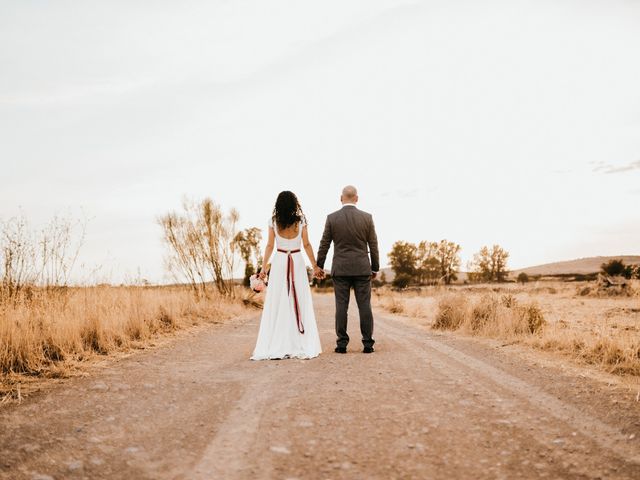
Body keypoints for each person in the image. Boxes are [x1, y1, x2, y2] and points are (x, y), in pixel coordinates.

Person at [250, 191, 322, 360]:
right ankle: (299, 341)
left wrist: (264, 268)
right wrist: (315, 266)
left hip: (280, 260)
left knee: (279, 299)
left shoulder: (273, 222)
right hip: (296, 260)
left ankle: (278, 341)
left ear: (279, 205)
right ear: (295, 204)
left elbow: (269, 245)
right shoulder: (301, 221)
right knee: (298, 297)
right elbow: (306, 244)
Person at [316, 185, 380, 354]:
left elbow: (325, 244)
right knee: (364, 305)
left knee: (341, 306)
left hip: (341, 269)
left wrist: (319, 266)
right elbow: (373, 244)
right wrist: (375, 268)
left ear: (341, 198)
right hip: (362, 268)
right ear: (356, 198)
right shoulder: (367, 218)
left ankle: (341, 344)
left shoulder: (332, 218)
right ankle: (368, 344)